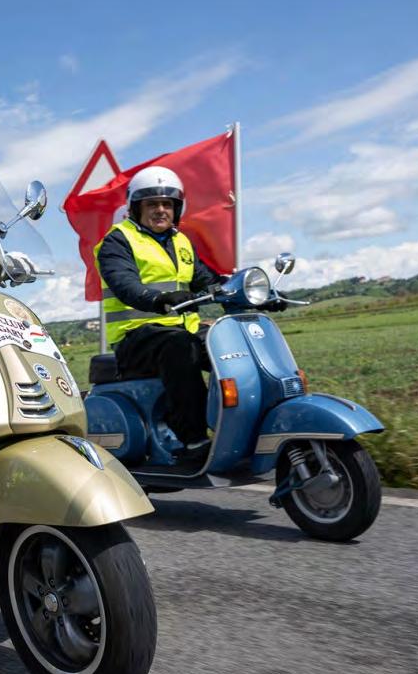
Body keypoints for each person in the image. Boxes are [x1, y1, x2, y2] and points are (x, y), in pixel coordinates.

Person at [95, 166, 284, 461]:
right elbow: (124, 284)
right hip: (136, 338)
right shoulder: (117, 241)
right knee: (180, 347)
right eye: (152, 204)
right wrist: (158, 299)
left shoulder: (180, 242)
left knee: (234, 345)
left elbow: (209, 281)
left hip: (183, 329)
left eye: (167, 204)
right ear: (136, 208)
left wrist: (258, 295)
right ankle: (193, 439)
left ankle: (251, 425)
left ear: (177, 208)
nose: (161, 210)